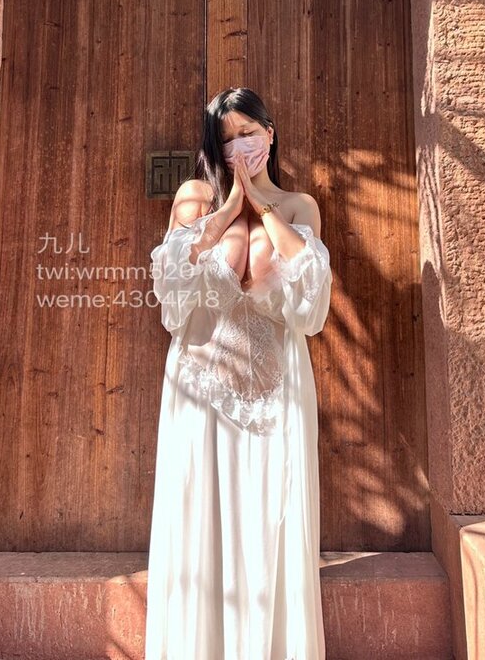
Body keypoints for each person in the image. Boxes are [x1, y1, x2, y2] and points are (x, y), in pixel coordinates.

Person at [145, 86, 333, 660]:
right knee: (199, 521)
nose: (238, 148)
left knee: (271, 520)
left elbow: (311, 304)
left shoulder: (299, 206)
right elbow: (172, 293)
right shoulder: (194, 198)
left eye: (247, 133)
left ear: (269, 134)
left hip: (278, 390)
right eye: (225, 140)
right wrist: (229, 208)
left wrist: (264, 207)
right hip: (200, 388)